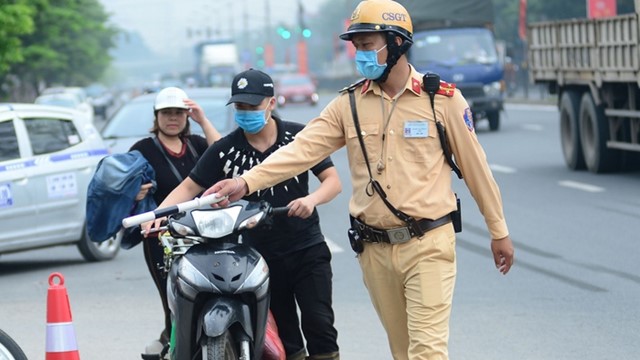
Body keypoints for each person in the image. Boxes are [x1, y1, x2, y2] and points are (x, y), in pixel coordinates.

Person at [204, 1, 515, 359]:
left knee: (426, 352)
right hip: (375, 251)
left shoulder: (440, 101)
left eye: (368, 45)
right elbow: (300, 151)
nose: (361, 54)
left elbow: (477, 169)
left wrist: (498, 230)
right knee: (402, 351)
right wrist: (246, 183)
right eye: (358, 47)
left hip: (429, 244)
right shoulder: (348, 105)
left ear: (396, 43)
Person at [148, 69, 342, 360]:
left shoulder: (298, 137)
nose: (246, 113)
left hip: (306, 248)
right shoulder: (225, 149)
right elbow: (189, 187)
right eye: (240, 107)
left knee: (319, 324)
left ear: (271, 104)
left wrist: (311, 199)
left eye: (252, 106)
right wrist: (158, 214)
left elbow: (333, 182)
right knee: (285, 336)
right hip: (257, 256)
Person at [129, 86, 222, 355]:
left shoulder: (197, 144)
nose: (173, 118)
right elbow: (123, 188)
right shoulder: (142, 149)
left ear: (187, 116)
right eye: (166, 113)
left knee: (208, 291)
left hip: (202, 231)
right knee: (173, 298)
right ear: (156, 117)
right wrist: (135, 194)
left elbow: (222, 155)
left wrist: (203, 120)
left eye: (179, 113)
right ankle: (174, 345)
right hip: (162, 236)